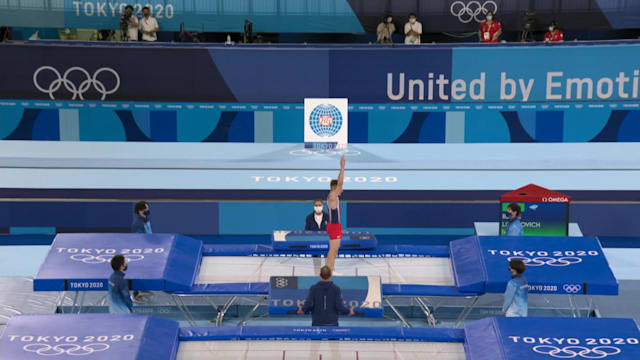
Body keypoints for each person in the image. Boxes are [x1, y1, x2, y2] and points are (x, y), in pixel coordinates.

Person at [326, 155, 345, 271]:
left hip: (335, 226)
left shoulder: (334, 196)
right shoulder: (332, 196)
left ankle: (331, 268)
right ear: (335, 188)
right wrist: (342, 167)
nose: (342, 189)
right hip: (334, 226)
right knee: (333, 250)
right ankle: (330, 270)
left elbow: (339, 183)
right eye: (339, 187)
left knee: (335, 250)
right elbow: (340, 183)